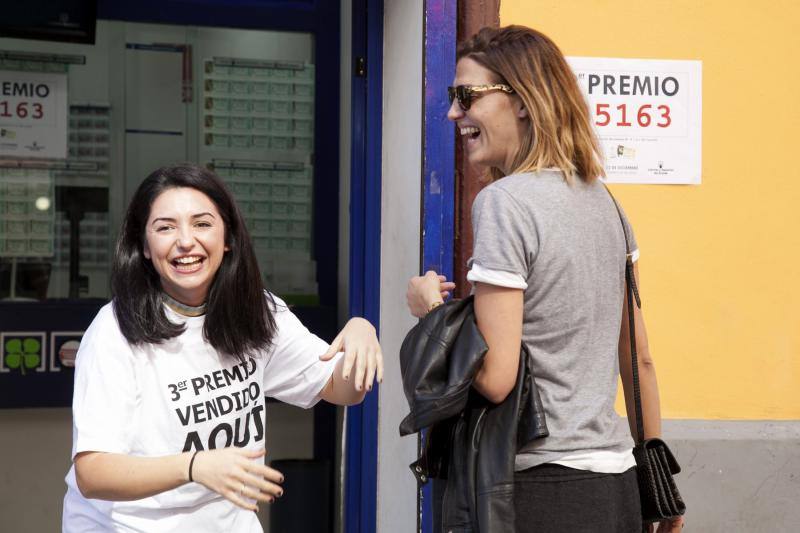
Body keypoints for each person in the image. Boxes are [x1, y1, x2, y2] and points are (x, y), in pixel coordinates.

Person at [406, 26, 684, 533]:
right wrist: (658, 480)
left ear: (523, 101)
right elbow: (638, 356)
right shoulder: (607, 204)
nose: (453, 113)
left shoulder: (504, 203)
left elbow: (495, 379)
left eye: (466, 96)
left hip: (539, 491)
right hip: (615, 484)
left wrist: (431, 312)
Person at [62, 164, 383, 532]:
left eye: (202, 224)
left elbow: (339, 388)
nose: (185, 241)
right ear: (145, 248)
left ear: (228, 237)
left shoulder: (257, 310)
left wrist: (360, 334)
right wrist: (194, 466)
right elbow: (93, 472)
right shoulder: (115, 329)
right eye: (165, 227)